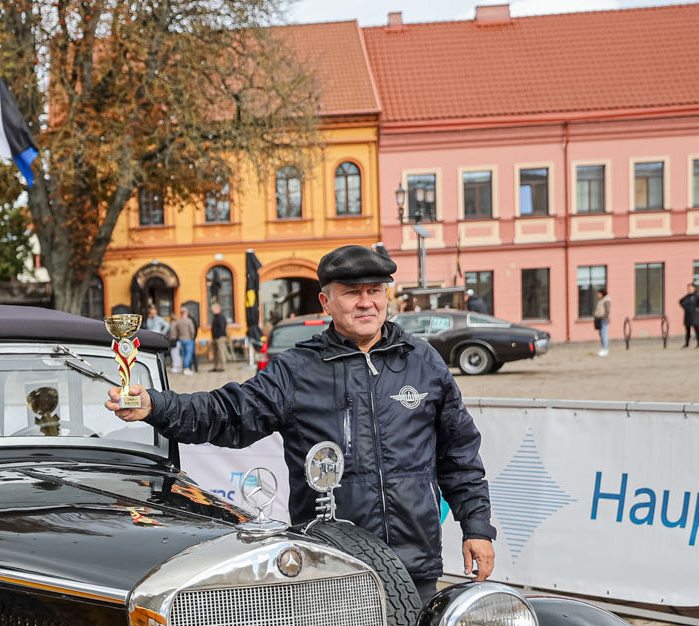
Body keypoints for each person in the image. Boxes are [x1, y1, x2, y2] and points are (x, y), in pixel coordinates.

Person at [109, 243, 496, 600]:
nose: (366, 303)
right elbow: (228, 413)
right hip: (329, 566)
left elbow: (458, 452)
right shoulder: (297, 369)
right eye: (352, 292)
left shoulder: (423, 362)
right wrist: (155, 406)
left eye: (375, 291)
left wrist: (476, 526)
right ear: (326, 301)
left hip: (415, 565)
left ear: (386, 296)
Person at [168, 308, 196, 373]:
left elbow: (176, 331)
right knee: (188, 354)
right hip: (188, 339)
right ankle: (186, 367)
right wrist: (192, 337)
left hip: (181, 340)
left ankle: (184, 367)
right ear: (186, 313)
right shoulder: (189, 321)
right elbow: (192, 330)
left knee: (183, 354)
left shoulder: (179, 321)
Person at [206, 301, 229, 371]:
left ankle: (222, 366)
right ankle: (216, 366)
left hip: (220, 337)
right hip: (215, 337)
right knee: (215, 353)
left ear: (218, 309)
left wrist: (218, 335)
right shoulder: (215, 317)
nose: (212, 310)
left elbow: (222, 328)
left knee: (221, 352)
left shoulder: (220, 317)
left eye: (213, 309)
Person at [593, 287, 612, 357]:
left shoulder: (606, 300)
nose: (598, 295)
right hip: (599, 319)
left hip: (603, 319)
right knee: (601, 334)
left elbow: (607, 310)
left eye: (599, 293)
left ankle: (605, 349)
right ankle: (603, 348)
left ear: (602, 293)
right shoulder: (602, 300)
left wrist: (605, 317)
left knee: (604, 334)